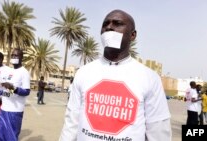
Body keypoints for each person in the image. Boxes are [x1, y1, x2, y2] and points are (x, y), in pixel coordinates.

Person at [59, 9, 171, 141]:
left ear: (133, 35)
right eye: (105, 24)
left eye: (117, 23)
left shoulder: (149, 78)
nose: (109, 27)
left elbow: (158, 131)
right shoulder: (84, 72)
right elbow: (71, 123)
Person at [0, 48, 30, 141]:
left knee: (11, 138)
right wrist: (0, 95)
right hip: (4, 109)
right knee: (1, 136)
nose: (13, 57)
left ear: (21, 57)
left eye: (16, 55)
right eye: (12, 55)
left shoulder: (24, 72)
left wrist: (13, 88)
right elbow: (8, 91)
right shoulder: (9, 71)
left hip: (14, 111)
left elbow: (26, 91)